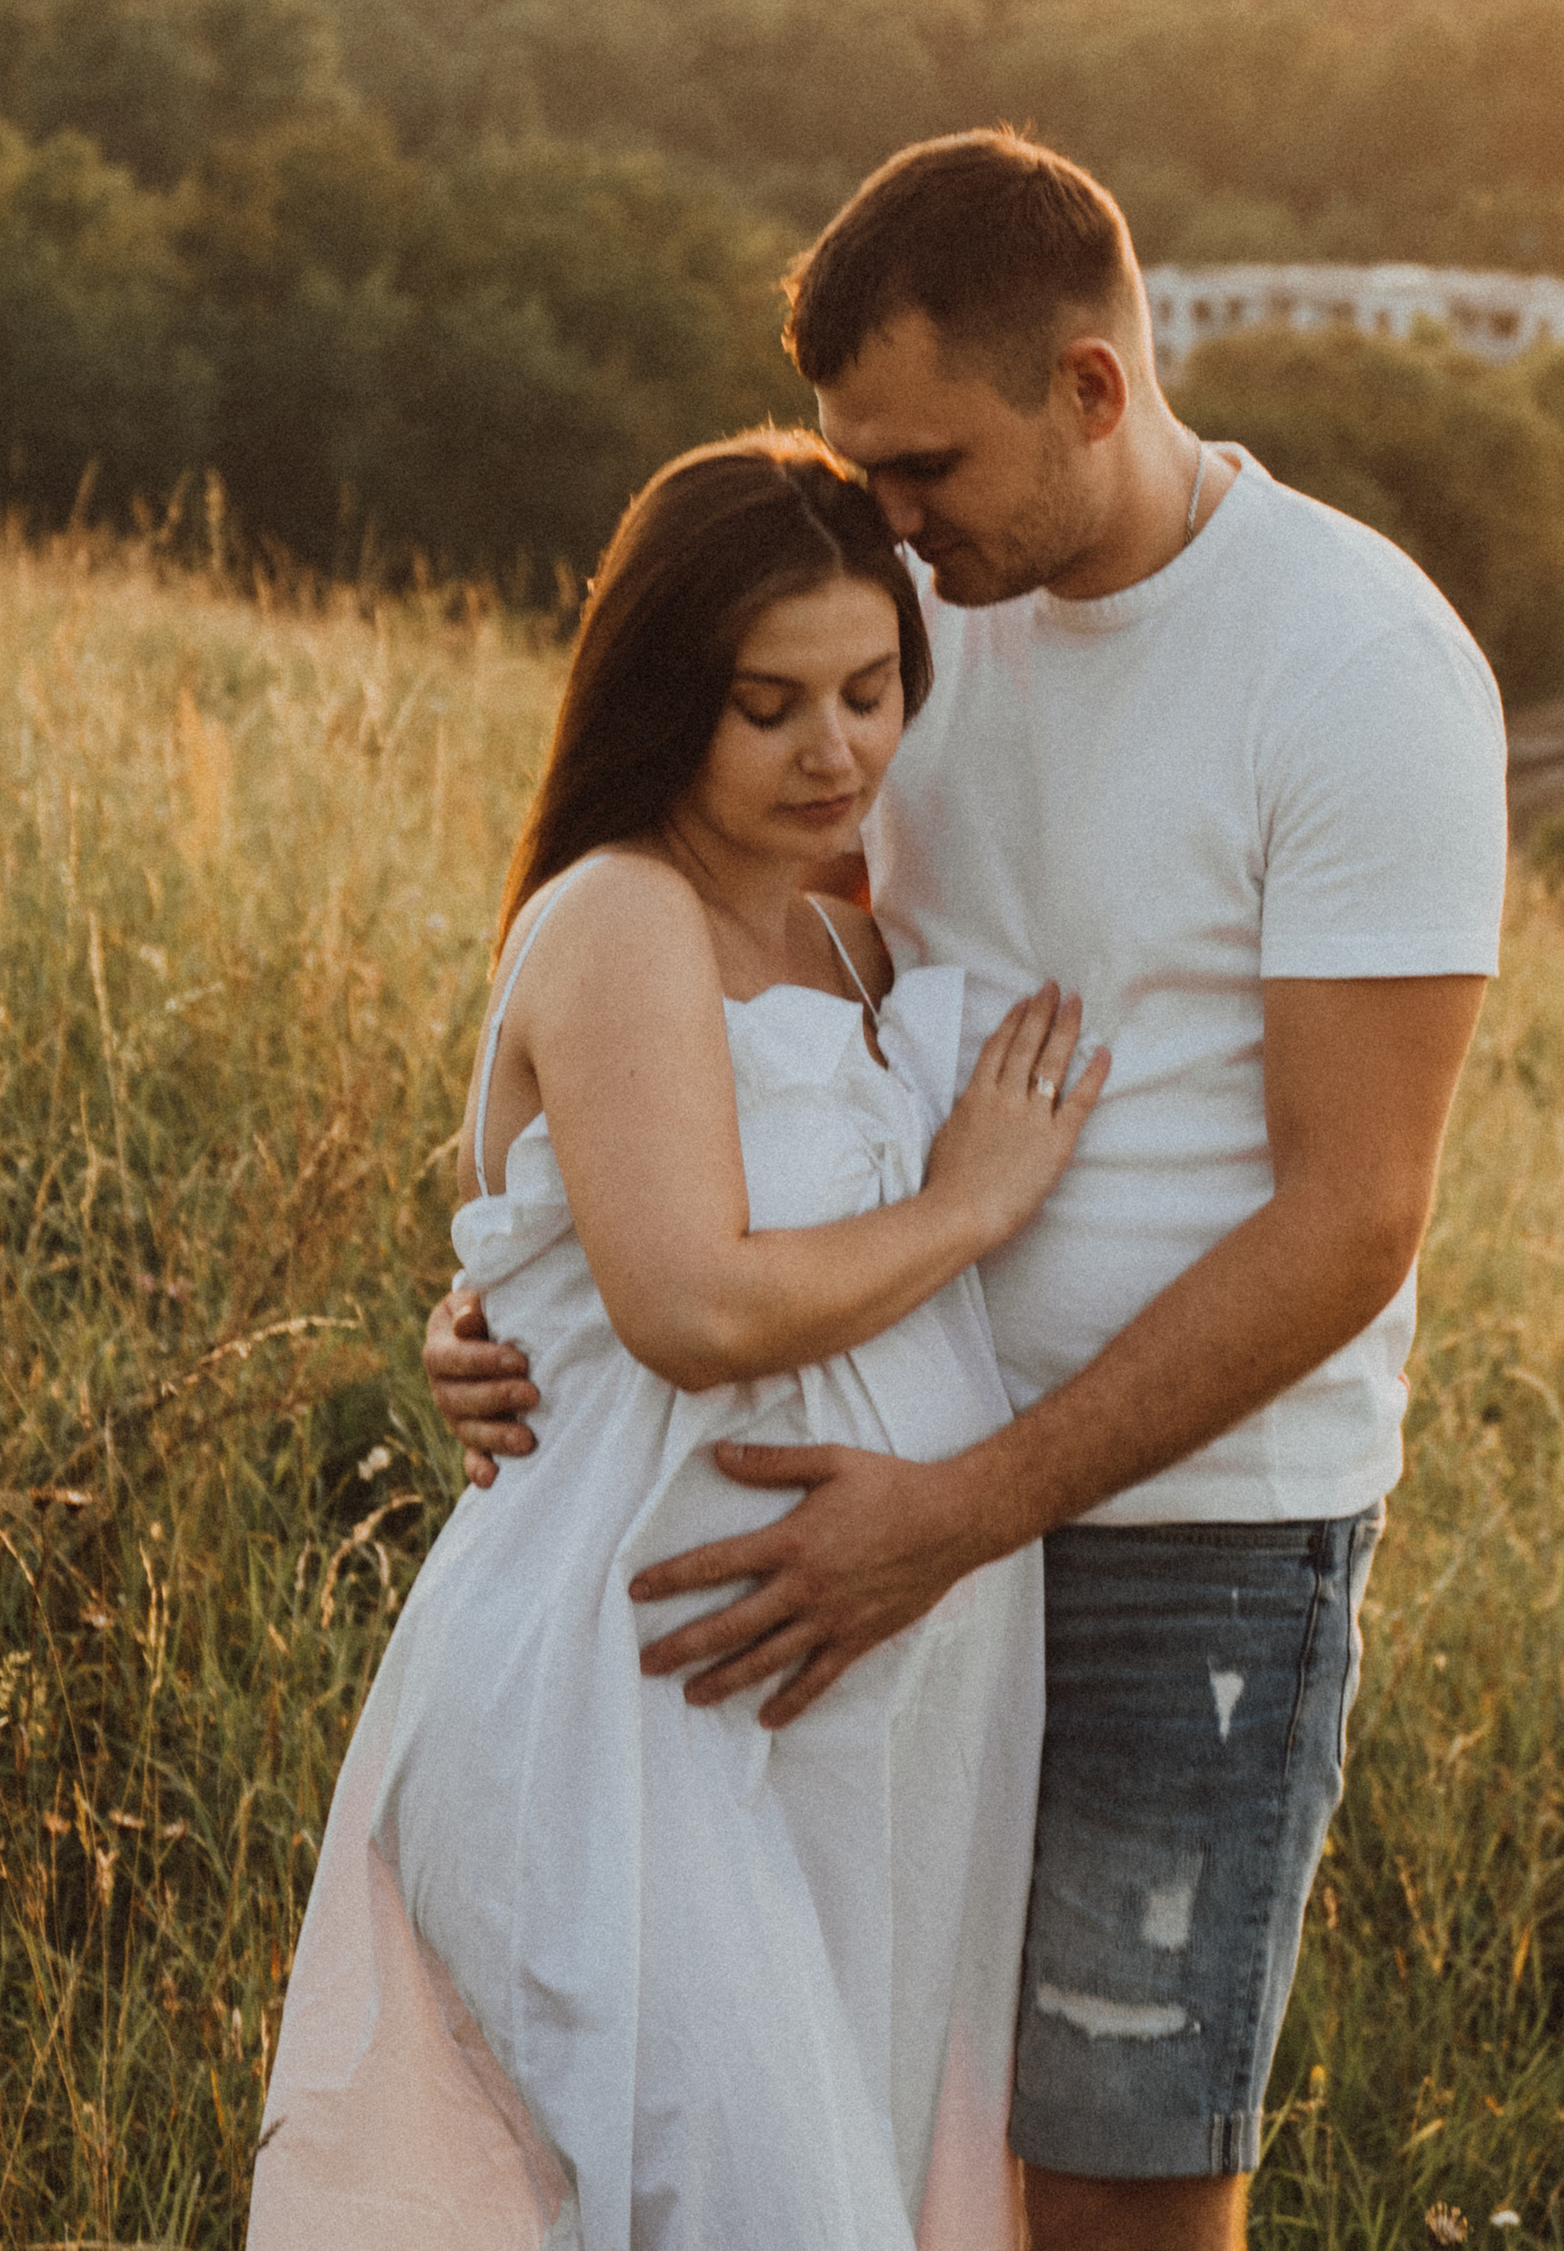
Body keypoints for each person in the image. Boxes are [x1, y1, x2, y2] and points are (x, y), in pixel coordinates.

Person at [433, 131, 1509, 2251]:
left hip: (1184, 1545)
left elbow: (1353, 1221)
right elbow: (707, 974)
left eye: (924, 466)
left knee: (1110, 2178)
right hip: (861, 1515)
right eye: (864, 467)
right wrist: (517, 1292)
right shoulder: (907, 618)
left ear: (1092, 389)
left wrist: (961, 1510)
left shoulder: (1357, 666)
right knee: (853, 2146)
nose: (889, 516)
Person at [252, 432, 1107, 2251]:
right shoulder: (624, 910)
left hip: (842, 1744)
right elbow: (692, 1306)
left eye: (870, 689)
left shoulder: (842, 935)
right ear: (663, 701)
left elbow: (545, 1229)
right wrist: (971, 1201)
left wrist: (488, 1300)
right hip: (624, 1721)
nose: (836, 753)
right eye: (766, 706)